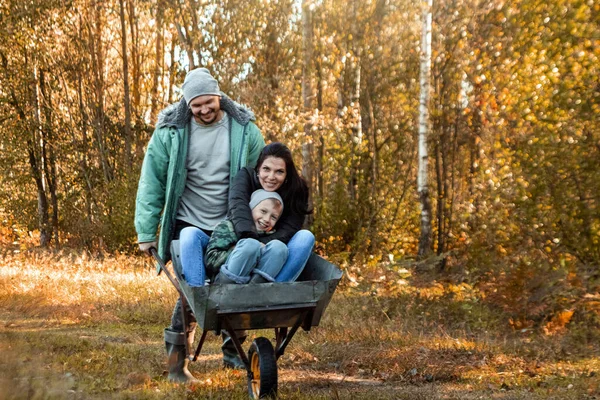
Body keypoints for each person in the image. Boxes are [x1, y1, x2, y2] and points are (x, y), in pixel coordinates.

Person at [134, 67, 265, 382]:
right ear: (187, 105)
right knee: (190, 294)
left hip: (230, 224)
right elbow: (152, 181)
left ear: (218, 95)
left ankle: (234, 357)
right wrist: (145, 232)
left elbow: (264, 179)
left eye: (209, 102)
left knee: (235, 289)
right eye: (197, 105)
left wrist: (267, 217)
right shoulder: (170, 132)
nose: (204, 110)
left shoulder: (245, 130)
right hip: (186, 224)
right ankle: (178, 368)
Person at [228, 142, 315, 283]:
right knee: (191, 234)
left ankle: (274, 290)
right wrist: (252, 242)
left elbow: (289, 228)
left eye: (279, 171)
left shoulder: (297, 189)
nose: (271, 177)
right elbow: (238, 209)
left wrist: (264, 245)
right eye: (266, 169)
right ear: (258, 169)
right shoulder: (246, 177)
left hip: (276, 250)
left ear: (287, 174)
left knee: (306, 237)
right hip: (243, 244)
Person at [205, 189, 288, 285]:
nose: (266, 219)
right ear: (251, 208)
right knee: (251, 245)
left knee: (279, 247)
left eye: (273, 217)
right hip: (225, 282)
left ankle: (255, 291)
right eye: (263, 211)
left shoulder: (271, 236)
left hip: (254, 287)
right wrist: (237, 250)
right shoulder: (228, 226)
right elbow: (210, 261)